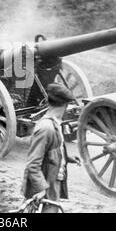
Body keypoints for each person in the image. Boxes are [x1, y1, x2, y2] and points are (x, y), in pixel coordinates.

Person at [21, 83, 81, 213]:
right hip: (43, 188)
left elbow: (51, 150)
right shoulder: (45, 128)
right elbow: (33, 164)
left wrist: (67, 158)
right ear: (64, 106)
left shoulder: (55, 124)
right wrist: (41, 189)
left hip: (52, 183)